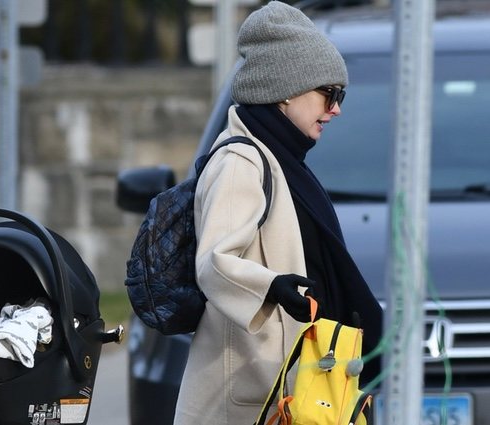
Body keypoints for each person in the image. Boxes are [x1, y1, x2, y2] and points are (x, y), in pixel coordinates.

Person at [172, 2, 383, 424]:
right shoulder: (241, 163)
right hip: (247, 398)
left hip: (285, 391)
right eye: (330, 93)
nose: (336, 108)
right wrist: (274, 287)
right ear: (288, 88)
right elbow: (215, 261)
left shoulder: (282, 162)